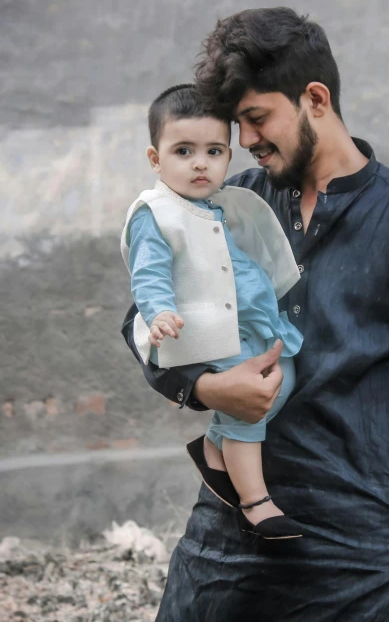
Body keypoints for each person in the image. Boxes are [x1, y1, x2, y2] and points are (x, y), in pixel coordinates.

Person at [121, 8, 389, 621]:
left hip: (364, 555)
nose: (244, 141)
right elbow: (140, 320)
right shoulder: (227, 205)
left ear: (314, 99)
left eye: (256, 118)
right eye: (237, 124)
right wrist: (206, 386)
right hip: (227, 540)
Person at [121, 83, 304, 539]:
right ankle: (255, 501)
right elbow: (149, 271)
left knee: (285, 380)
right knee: (250, 405)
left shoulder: (218, 204)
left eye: (214, 151)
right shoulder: (155, 213)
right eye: (184, 150)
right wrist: (159, 311)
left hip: (249, 323)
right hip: (208, 329)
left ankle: (215, 446)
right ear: (155, 159)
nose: (200, 163)